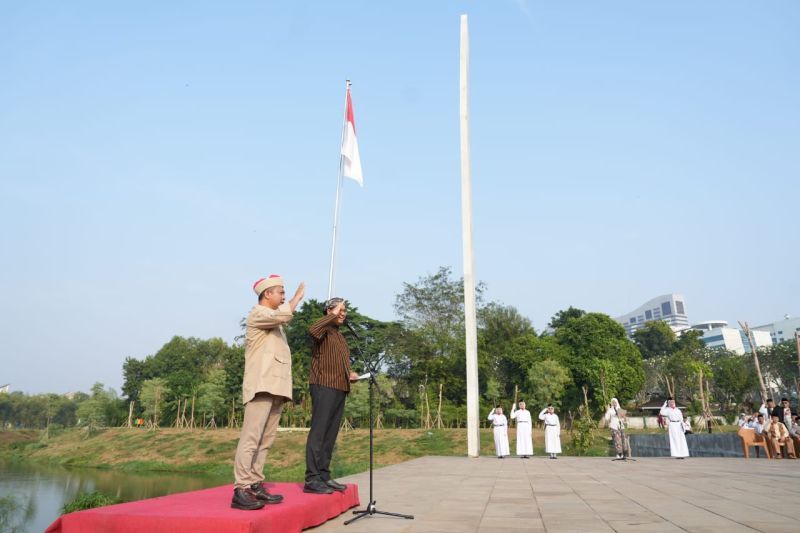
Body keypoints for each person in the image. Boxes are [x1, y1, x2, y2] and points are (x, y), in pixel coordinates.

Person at [232, 275, 304, 510]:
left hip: (277, 388)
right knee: (251, 439)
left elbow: (281, 318)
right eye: (280, 292)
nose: (283, 296)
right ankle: (240, 488)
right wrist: (296, 299)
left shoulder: (276, 324)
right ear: (267, 294)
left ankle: (254, 484)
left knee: (265, 441)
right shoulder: (258, 314)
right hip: (261, 386)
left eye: (285, 293)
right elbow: (282, 315)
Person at [303, 297, 360, 494]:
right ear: (329, 311)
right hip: (323, 385)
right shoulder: (323, 330)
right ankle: (312, 478)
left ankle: (324, 475)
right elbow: (312, 330)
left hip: (339, 386)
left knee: (330, 434)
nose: (343, 313)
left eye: (345, 310)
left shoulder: (339, 336)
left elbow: (337, 361)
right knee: (319, 432)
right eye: (339, 310)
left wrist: (349, 373)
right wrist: (331, 316)